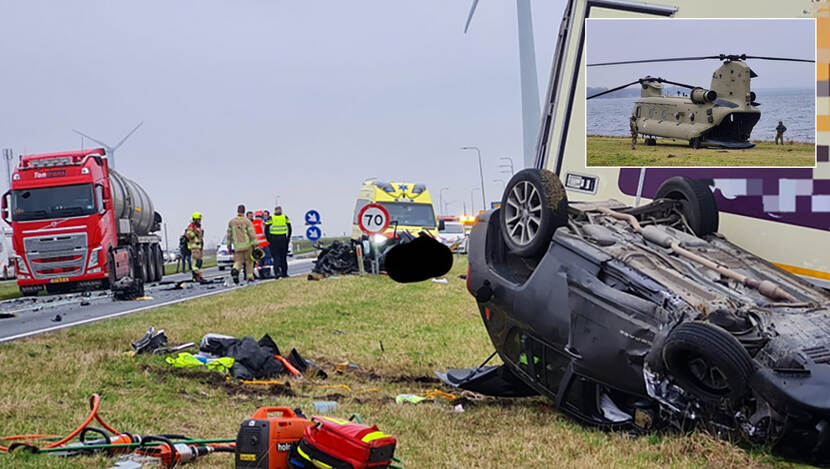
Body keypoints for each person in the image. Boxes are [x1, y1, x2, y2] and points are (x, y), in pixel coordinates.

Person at [227, 204, 257, 284]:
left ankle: (235, 270)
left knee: (238, 262)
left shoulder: (231, 222)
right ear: (244, 211)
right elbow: (251, 234)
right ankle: (250, 277)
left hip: (237, 246)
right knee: (249, 262)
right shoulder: (247, 221)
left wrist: (229, 246)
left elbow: (229, 236)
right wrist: (255, 245)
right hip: (247, 245)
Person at [268, 205, 292, 278]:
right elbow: (289, 228)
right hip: (281, 239)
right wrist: (288, 238)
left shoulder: (272, 218)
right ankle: (283, 273)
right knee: (281, 258)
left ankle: (278, 273)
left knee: (278, 258)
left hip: (275, 239)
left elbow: (266, 229)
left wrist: (269, 239)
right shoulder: (284, 217)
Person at [185, 212, 205, 282]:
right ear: (195, 219)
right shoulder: (191, 227)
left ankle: (197, 277)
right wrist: (194, 233)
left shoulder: (198, 227)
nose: (199, 221)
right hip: (194, 247)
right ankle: (198, 276)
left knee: (199, 262)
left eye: (200, 219)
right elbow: (188, 235)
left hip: (199, 247)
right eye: (198, 219)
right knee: (195, 263)